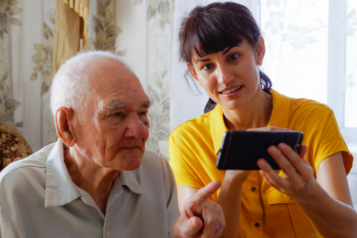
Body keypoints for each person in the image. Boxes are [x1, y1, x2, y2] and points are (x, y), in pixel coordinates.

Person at [169, 2, 357, 238]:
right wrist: (232, 180)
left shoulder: (316, 118)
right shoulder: (186, 141)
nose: (224, 77)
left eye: (234, 56)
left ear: (259, 50)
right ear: (195, 73)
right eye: (207, 66)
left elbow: (349, 232)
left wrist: (307, 191)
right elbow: (201, 233)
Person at [0, 51, 225, 238]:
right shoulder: (12, 192)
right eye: (116, 114)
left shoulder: (158, 173)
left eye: (142, 113)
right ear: (66, 126)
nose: (140, 130)